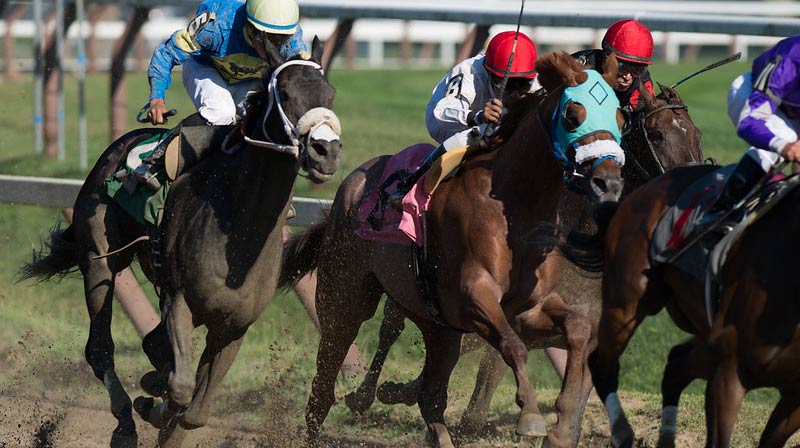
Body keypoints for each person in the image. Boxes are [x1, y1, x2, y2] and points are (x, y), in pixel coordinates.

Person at [389, 30, 540, 202]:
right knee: (477, 134)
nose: (515, 92)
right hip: (447, 120)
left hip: (486, 118)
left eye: (522, 84)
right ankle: (409, 187)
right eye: (507, 84)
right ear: (488, 72)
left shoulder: (534, 79)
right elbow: (443, 111)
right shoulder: (468, 72)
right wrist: (477, 117)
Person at [146, 0, 309, 127]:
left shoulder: (292, 41)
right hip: (205, 67)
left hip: (247, 79)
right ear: (250, 29)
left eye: (282, 39)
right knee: (221, 113)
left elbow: (309, 76)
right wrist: (157, 99)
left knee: (270, 117)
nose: (276, 47)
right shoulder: (215, 27)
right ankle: (164, 149)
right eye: (270, 39)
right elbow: (166, 53)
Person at [712, 35, 800, 217]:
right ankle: (721, 213)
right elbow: (750, 123)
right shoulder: (789, 62)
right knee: (785, 135)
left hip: (793, 110)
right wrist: (783, 146)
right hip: (753, 98)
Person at [572, 19, 656, 112]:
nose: (628, 77)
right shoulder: (579, 68)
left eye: (637, 69)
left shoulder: (643, 82)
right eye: (622, 68)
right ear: (606, 57)